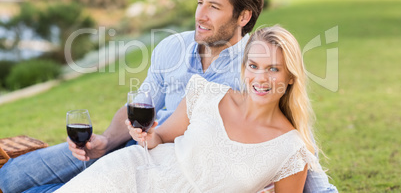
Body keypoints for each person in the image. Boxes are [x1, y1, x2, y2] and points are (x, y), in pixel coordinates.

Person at [0, 0, 337, 193]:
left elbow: (293, 149)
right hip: (138, 151)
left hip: (179, 168)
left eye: (214, 8)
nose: (200, 16)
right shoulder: (171, 48)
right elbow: (139, 104)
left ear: (243, 15)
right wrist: (107, 140)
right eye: (200, 2)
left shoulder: (255, 70)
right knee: (11, 177)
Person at [55, 25, 320, 192]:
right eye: (253, 66)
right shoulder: (207, 94)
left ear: (291, 77)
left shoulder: (291, 150)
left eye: (273, 69)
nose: (260, 79)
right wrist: (147, 136)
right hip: (129, 175)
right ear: (244, 68)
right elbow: (159, 138)